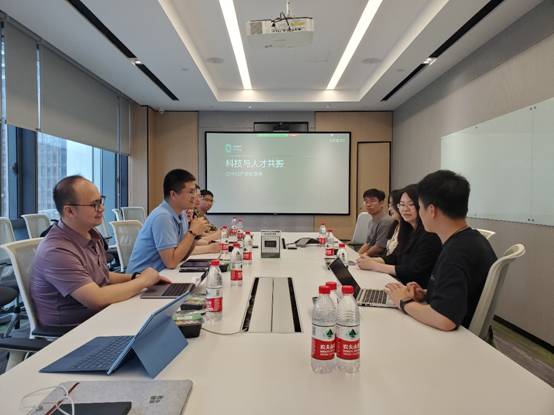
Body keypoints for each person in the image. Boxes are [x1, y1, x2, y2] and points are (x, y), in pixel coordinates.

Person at [30, 176, 166, 326]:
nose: (101, 208)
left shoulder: (91, 234)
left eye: (100, 201)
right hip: (74, 329)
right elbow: (97, 299)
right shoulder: (56, 251)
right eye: (94, 204)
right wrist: (143, 281)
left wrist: (135, 277)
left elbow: (101, 275)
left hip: (99, 316)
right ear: (69, 211)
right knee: (157, 322)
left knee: (163, 314)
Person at [385, 170, 497, 331]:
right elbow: (459, 293)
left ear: (432, 210)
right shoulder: (471, 239)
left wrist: (403, 301)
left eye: (419, 207)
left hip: (455, 336)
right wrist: (425, 293)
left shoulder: (456, 252)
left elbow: (444, 319)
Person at [127, 169, 217, 274]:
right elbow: (171, 262)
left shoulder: (182, 214)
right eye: (191, 192)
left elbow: (183, 255)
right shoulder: (162, 216)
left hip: (163, 274)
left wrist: (194, 235)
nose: (195, 197)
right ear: (173, 194)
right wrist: (192, 233)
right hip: (141, 279)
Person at [357, 184, 442, 288]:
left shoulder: (430, 235)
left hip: (415, 289)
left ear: (421, 206)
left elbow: (414, 271)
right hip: (400, 283)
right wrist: (371, 260)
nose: (405, 209)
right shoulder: (407, 230)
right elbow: (395, 256)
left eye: (411, 204)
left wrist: (374, 265)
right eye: (402, 205)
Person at [357, 188, 395, 257]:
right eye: (366, 201)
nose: (368, 204)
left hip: (380, 259)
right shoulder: (371, 221)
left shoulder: (386, 221)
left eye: (372, 201)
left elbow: (379, 248)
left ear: (381, 203)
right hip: (370, 257)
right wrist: (356, 255)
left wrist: (362, 256)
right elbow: (367, 243)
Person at [384, 189, 402, 256]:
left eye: (392, 205)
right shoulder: (395, 225)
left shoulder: (408, 229)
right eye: (389, 205)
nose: (389, 209)